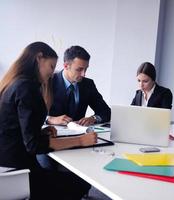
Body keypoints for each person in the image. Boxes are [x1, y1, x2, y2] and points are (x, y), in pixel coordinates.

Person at [0, 42, 97, 199]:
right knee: (80, 183)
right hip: (16, 171)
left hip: (8, 162)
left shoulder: (14, 82)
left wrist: (41, 131)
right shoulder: (26, 87)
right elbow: (34, 146)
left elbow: (15, 128)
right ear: (39, 58)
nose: (53, 73)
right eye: (52, 66)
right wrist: (80, 140)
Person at [46, 45, 111, 126]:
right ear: (66, 66)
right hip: (53, 134)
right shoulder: (48, 82)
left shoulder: (88, 84)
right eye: (79, 69)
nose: (84, 74)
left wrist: (93, 118)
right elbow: (31, 113)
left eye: (86, 69)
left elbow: (106, 112)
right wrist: (49, 119)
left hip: (80, 134)